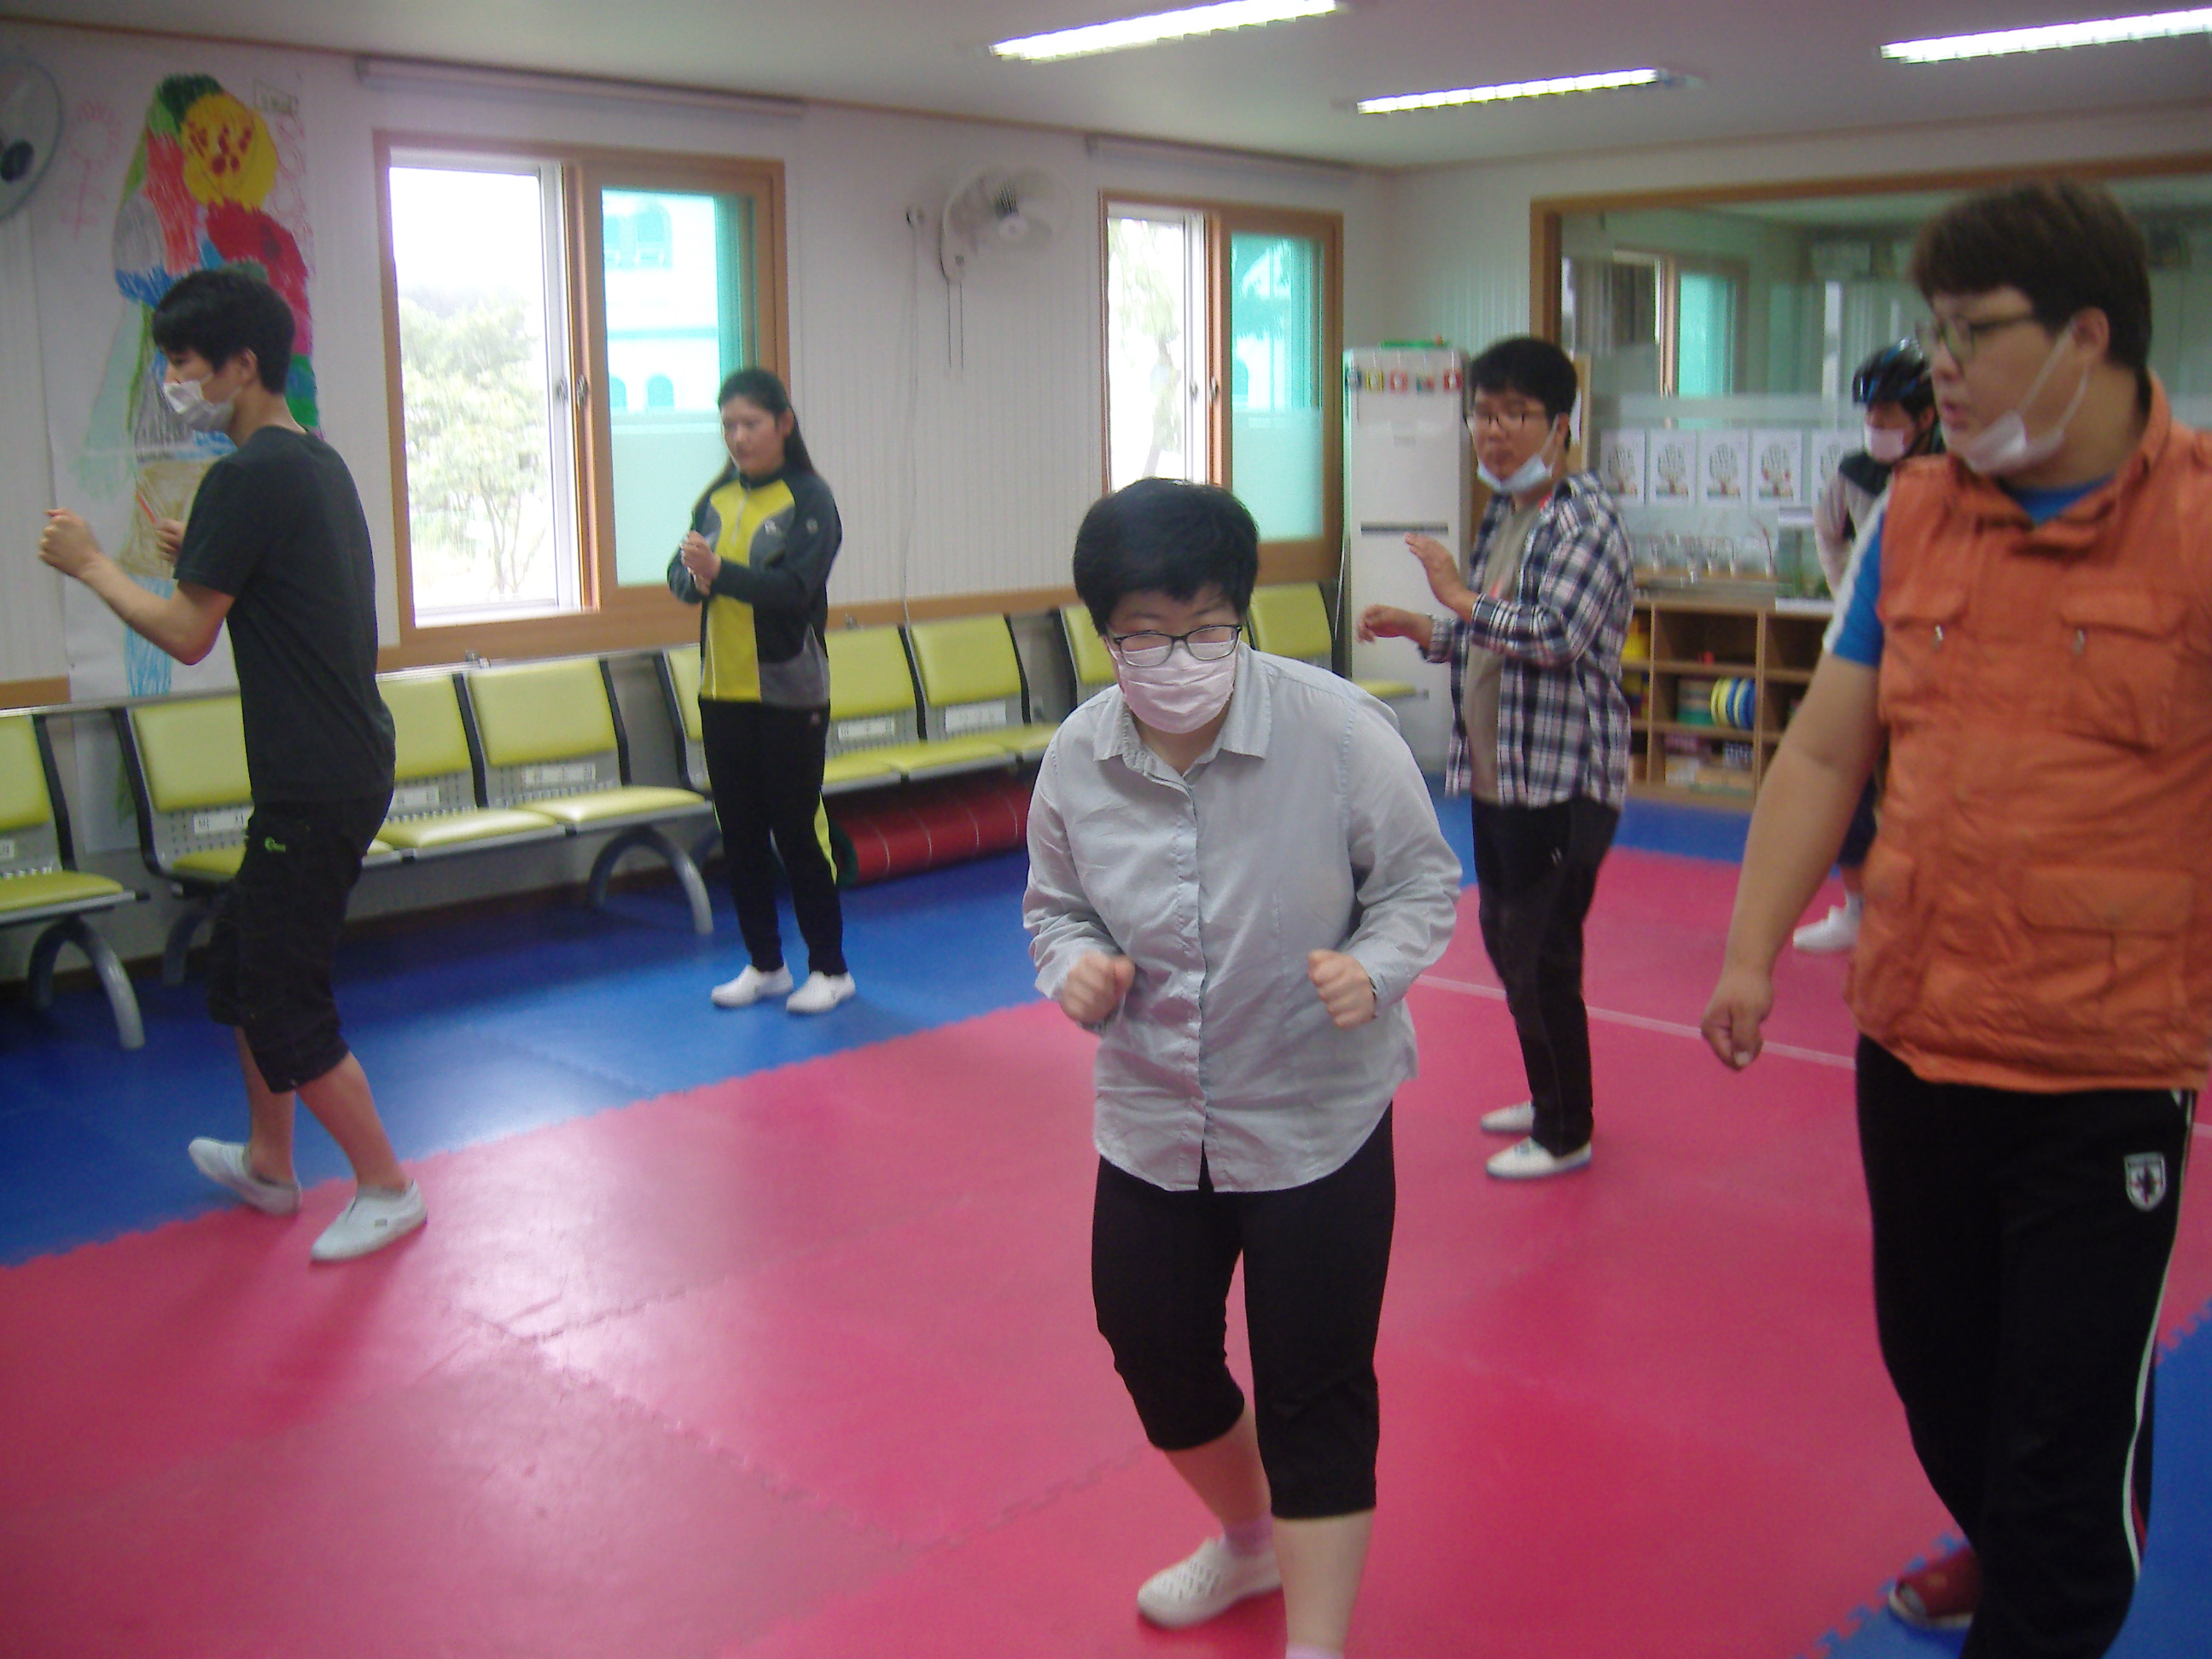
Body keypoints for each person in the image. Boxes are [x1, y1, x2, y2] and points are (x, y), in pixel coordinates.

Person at [1700, 179, 2206, 1657]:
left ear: (2088, 335)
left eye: (1975, 333)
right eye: (1934, 332)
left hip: (2103, 1069)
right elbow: (1824, 750)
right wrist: (1748, 949)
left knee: (2064, 1427)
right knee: (1941, 1374)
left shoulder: (2198, 522)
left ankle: (2044, 1585)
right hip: (1917, 1038)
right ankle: (2008, 1541)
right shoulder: (1915, 514)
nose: (1944, 368)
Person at [1025, 479, 1458, 1659]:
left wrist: (1374, 966)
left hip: (1314, 1113)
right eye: (1145, 636)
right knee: (1154, 1350)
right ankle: (1251, 1536)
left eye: (1206, 629)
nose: (1178, 659)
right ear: (1103, 633)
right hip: (1155, 1113)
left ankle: (1314, 1642)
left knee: (1316, 1384)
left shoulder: (1338, 733)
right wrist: (1074, 967)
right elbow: (1056, 906)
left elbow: (1421, 884)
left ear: (1242, 615)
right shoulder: (1078, 760)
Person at [38, 265, 422, 1263]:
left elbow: (186, 633)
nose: (173, 383)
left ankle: (387, 1186)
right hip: (333, 760)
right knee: (242, 959)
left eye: (182, 364)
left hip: (318, 774)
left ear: (241, 365)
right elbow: (283, 585)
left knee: (283, 992)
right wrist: (198, 551)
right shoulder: (308, 463)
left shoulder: (249, 477)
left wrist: (93, 565)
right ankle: (269, 1162)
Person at [1358, 335, 1634, 1179]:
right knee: (1507, 938)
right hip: (1500, 774)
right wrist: (1428, 626)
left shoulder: (1583, 521)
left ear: (1561, 426)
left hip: (1562, 779)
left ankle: (1566, 1128)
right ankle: (1548, 1094)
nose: (1494, 430)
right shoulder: (1508, 515)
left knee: (1543, 952)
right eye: (1482, 413)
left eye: (1516, 414)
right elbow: (1489, 634)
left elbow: (1556, 635)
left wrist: (1456, 597)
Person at [669, 369, 853, 1016]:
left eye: (751, 423)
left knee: (796, 831)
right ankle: (766, 964)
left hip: (789, 690)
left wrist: (721, 572)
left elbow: (794, 590)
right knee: (740, 832)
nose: (739, 437)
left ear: (783, 424)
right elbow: (682, 572)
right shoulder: (716, 497)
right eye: (729, 426)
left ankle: (830, 968)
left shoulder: (810, 498)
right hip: (722, 688)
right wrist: (694, 578)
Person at [1794, 340, 1941, 954]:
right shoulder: (1856, 474)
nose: (1876, 425)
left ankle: (1927, 914)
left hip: (1934, 654)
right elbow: (1828, 532)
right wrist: (1845, 593)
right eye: (1870, 415)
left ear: (1925, 417)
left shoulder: (1955, 476)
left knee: (1926, 785)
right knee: (1845, 786)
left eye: (1888, 415)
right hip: (1865, 646)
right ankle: (1857, 907)